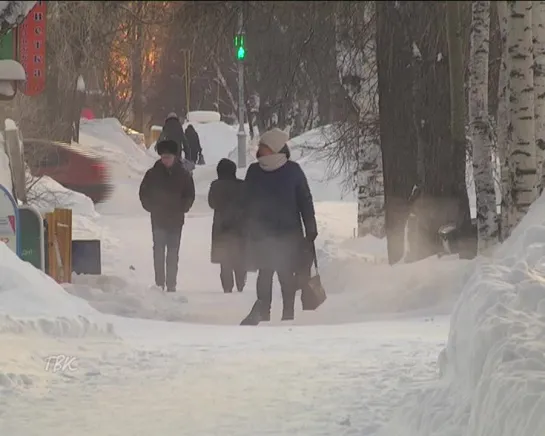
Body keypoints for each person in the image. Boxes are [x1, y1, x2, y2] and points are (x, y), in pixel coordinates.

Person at [243, 127, 318, 322]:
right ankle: (263, 312)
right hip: (262, 233)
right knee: (265, 273)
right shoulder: (254, 171)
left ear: (275, 148)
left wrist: (311, 227)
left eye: (264, 146)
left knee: (286, 274)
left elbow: (305, 199)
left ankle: (288, 313)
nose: (260, 149)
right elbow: (246, 201)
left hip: (288, 232)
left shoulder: (293, 171)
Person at [139, 139, 195, 293]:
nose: (166, 160)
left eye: (169, 157)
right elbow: (144, 193)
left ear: (175, 157)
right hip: (158, 219)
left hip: (176, 220)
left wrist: (183, 208)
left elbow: (190, 194)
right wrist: (151, 207)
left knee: (172, 252)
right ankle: (159, 283)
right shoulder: (152, 173)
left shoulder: (183, 174)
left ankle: (171, 283)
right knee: (158, 251)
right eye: (163, 157)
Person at [208, 158, 247, 293]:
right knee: (239, 257)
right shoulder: (242, 185)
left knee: (225, 260)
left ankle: (227, 288)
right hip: (239, 227)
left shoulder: (215, 185)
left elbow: (211, 203)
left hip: (221, 226)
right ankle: (241, 284)